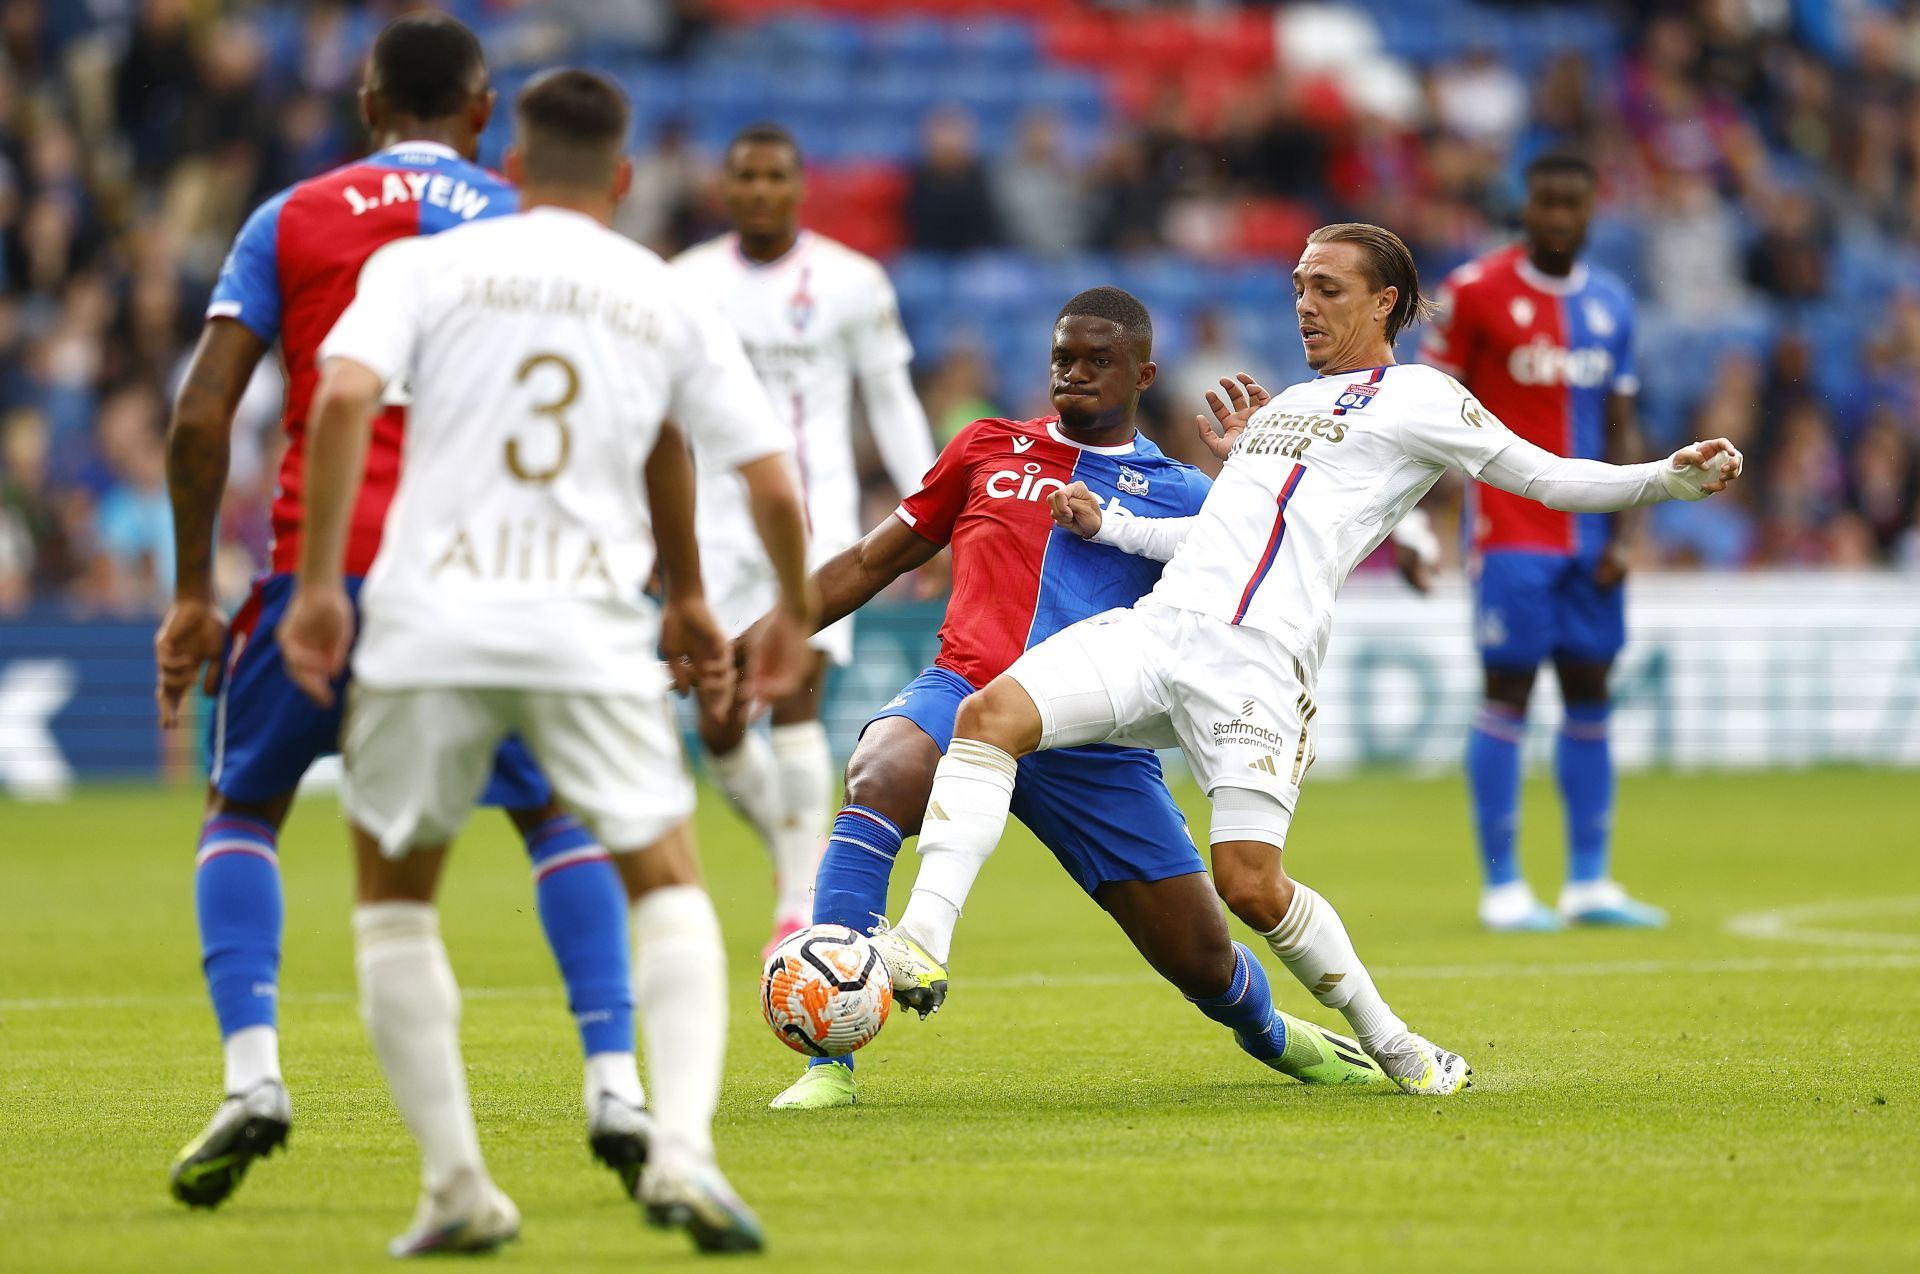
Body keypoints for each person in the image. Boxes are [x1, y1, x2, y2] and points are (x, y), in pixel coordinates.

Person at [870, 223, 1744, 1098]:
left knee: (1249, 885)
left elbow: (1546, 478)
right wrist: (1115, 526)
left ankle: (1398, 1046)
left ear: (1384, 301)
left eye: (1328, 288)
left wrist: (1663, 478)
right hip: (1164, 625)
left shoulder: (1426, 398)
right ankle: (921, 943)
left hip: (1256, 665)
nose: (1304, 305)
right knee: (990, 717)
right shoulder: (1285, 406)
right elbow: (1221, 532)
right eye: (1298, 286)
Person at [277, 68, 814, 1255]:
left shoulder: (422, 266)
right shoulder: (662, 293)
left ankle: (459, 1181)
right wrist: (771, 607)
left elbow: (341, 400)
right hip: (584, 624)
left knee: (394, 898)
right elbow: (768, 477)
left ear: (510, 171)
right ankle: (681, 1149)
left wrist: (318, 586)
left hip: (425, 620)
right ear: (624, 180)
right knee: (666, 877)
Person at [152, 12, 652, 1209]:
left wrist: (188, 593)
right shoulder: (536, 226)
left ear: (368, 107)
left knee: (247, 809)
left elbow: (200, 414)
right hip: (492, 575)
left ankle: (253, 1073)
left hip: (324, 572)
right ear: (486, 115)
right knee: (555, 818)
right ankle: (617, 1077)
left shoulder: (293, 218)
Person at [769, 287, 1386, 1111]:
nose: (1076, 373)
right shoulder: (988, 448)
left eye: (1100, 361)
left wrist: (1253, 480)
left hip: (1096, 742)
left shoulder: (1185, 493)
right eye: (1064, 358)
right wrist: (763, 638)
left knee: (1201, 957)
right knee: (879, 773)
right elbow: (870, 561)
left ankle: (1277, 1034)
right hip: (969, 691)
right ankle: (829, 1063)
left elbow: (1277, 574)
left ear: (1143, 375)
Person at [669, 123, 937, 951]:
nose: (758, 190)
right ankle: (793, 855)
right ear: (726, 185)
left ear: (797, 185)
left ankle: (793, 898)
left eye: (773, 176)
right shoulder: (683, 283)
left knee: (794, 703)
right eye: (743, 176)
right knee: (716, 719)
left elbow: (889, 399)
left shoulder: (852, 282)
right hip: (714, 524)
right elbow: (663, 415)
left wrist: (935, 512)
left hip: (814, 524)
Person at [1420, 153, 1663, 931]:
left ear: (1592, 211)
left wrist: (1626, 531)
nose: (1558, 217)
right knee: (1509, 696)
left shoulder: (1611, 305)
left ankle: (1590, 882)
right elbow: (1423, 414)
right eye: (1546, 202)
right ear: (1526, 206)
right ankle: (1504, 887)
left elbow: (1623, 425)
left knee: (1591, 696)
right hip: (1510, 531)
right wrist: (1420, 524)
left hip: (1592, 541)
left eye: (1573, 204)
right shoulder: (1473, 292)